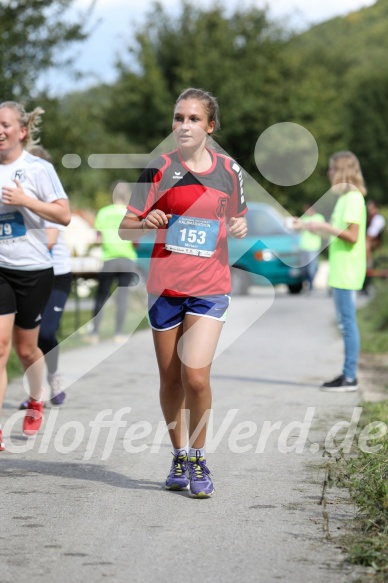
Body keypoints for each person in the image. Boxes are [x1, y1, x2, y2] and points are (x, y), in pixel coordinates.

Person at [119, 87, 248, 498]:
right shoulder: (158, 169)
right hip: (165, 287)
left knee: (195, 374)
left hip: (210, 286)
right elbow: (125, 226)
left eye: (193, 119)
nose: (184, 125)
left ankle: (197, 457)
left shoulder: (229, 170)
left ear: (211, 126)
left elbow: (237, 219)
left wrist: (240, 227)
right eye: (178, 118)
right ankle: (178, 455)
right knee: (171, 378)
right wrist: (147, 220)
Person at [0, 101, 70, 450]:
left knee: (28, 350)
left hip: (33, 269)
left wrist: (26, 201)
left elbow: (64, 215)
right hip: (0, 268)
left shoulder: (38, 169)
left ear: (21, 131)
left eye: (5, 124)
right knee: (0, 346)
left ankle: (36, 399)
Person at [297, 151, 366, 392]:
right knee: (344, 323)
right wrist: (315, 227)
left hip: (347, 270)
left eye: (332, 169)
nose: (329, 173)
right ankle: (347, 375)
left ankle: (349, 377)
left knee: (347, 324)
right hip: (341, 269)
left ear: (343, 171)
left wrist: (324, 226)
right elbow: (339, 233)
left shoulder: (353, 199)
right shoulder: (345, 199)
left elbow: (353, 236)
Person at [18, 146, 72, 410]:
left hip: (56, 275)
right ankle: (35, 393)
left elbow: (47, 242)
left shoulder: (50, 202)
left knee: (47, 332)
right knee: (25, 339)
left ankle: (54, 377)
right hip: (27, 275)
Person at [85, 183, 138, 344]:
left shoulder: (103, 212)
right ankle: (119, 334)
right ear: (127, 195)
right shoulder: (132, 213)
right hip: (127, 259)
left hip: (109, 259)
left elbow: (98, 238)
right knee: (122, 298)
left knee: (101, 297)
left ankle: (94, 334)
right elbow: (135, 241)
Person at [299, 203, 325, 292]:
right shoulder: (303, 219)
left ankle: (310, 285)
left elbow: (323, 232)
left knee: (312, 268)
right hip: (303, 246)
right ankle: (307, 283)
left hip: (314, 246)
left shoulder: (319, 218)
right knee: (304, 269)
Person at [362, 199, 386, 293]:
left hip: (373, 243)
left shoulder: (378, 218)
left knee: (365, 246)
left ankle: (368, 267)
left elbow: (372, 234)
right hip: (369, 241)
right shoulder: (372, 217)